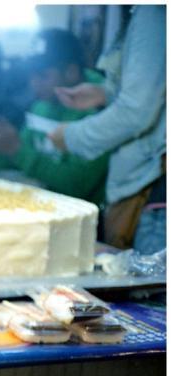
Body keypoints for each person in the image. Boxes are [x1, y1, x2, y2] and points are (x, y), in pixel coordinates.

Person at [49, 6, 166, 251]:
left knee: (148, 276)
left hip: (156, 189)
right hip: (148, 186)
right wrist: (105, 93)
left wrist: (71, 136)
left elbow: (136, 111)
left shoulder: (154, 11)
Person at [0, 29, 109, 207]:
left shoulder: (100, 110)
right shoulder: (41, 105)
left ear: (71, 72)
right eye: (31, 75)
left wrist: (16, 150)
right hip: (40, 208)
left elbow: (77, 186)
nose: (33, 83)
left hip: (82, 217)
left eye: (42, 76)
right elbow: (18, 167)